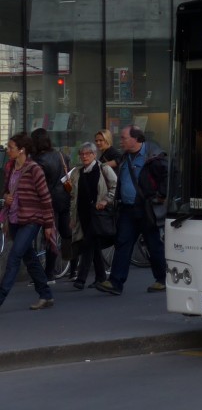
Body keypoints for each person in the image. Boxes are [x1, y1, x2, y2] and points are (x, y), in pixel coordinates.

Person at [96, 126, 168, 295]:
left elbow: (167, 175)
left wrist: (160, 196)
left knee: (153, 244)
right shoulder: (125, 157)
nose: (121, 141)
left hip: (146, 207)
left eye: (124, 138)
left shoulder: (154, 156)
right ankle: (115, 282)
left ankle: (162, 279)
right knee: (123, 243)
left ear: (136, 139)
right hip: (128, 208)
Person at [0, 133, 56, 310]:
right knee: (30, 258)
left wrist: (48, 224)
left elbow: (46, 198)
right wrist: (6, 198)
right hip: (15, 218)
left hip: (31, 219)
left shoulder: (34, 169)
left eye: (11, 147)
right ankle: (46, 295)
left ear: (22, 149)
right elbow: (7, 191)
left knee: (14, 257)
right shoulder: (9, 167)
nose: (8, 150)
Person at [69, 141, 116, 289]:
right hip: (82, 214)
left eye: (87, 153)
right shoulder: (77, 172)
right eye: (82, 154)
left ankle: (81, 279)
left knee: (88, 243)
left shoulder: (104, 169)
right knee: (94, 245)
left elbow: (115, 186)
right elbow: (72, 194)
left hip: (98, 214)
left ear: (94, 155)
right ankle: (101, 277)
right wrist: (72, 217)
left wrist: (106, 201)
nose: (84, 156)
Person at [30, 128, 69, 282]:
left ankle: (49, 273)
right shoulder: (60, 155)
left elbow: (38, 184)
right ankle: (73, 269)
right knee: (64, 233)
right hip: (63, 199)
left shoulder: (38, 160)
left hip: (47, 201)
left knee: (49, 235)